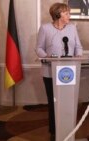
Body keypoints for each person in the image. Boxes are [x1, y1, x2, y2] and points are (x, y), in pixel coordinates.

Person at [35, 2, 83, 140]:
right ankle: (54, 131)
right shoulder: (45, 28)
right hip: (50, 72)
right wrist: (47, 57)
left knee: (69, 101)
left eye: (69, 13)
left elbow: (78, 46)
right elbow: (39, 48)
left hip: (70, 72)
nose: (69, 15)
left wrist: (78, 55)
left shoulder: (72, 28)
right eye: (66, 13)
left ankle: (69, 129)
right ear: (58, 14)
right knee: (53, 101)